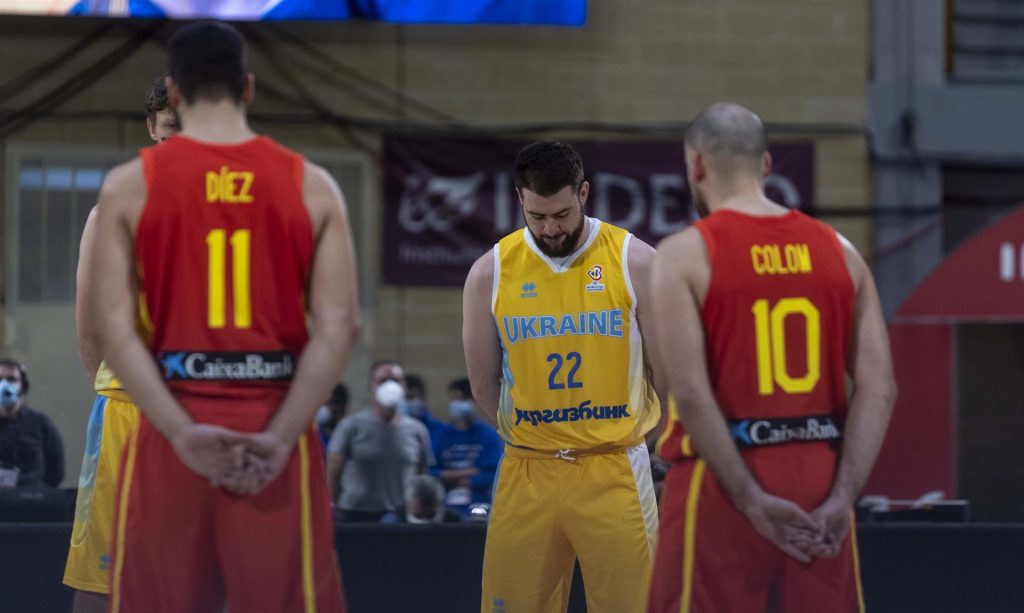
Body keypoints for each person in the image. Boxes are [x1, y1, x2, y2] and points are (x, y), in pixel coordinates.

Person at [89, 21, 359, 613]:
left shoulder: (128, 187)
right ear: (250, 88)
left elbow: (108, 327)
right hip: (272, 422)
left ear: (176, 95)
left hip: (172, 422)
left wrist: (183, 432)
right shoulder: (313, 186)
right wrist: (279, 438)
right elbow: (341, 328)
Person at [646, 103, 897, 612]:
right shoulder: (841, 251)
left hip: (724, 478)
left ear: (696, 165)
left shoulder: (684, 254)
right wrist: (843, 495)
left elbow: (690, 390)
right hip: (820, 481)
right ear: (765, 165)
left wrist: (749, 497)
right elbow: (880, 387)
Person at [462, 140, 662, 613]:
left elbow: (668, 373)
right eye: (538, 216)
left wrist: (654, 441)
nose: (551, 228)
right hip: (526, 468)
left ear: (584, 194)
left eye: (562, 214)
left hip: (612, 464)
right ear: (520, 201)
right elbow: (482, 384)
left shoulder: (636, 261)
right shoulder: (488, 273)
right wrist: (535, 433)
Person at [63, 73, 179, 613]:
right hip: (126, 415)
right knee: (101, 581)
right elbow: (89, 328)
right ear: (154, 128)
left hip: (209, 418)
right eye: (173, 128)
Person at [326, 360, 434, 523]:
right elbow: (333, 474)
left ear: (404, 387)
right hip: (354, 514)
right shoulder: (350, 426)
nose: (390, 386)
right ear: (371, 387)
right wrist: (333, 510)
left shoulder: (417, 430)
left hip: (399, 516)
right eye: (383, 381)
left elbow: (422, 475)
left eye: (396, 381)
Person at [430, 377, 502, 515]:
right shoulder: (441, 434)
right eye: (454, 399)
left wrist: (450, 478)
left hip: (478, 504)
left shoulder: (488, 435)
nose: (457, 403)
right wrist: (468, 472)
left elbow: (491, 474)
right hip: (444, 505)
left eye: (462, 399)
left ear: (473, 401)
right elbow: (431, 472)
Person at [0, 359, 64, 489]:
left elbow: (56, 473)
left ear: (23, 386)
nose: (4, 384)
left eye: (12, 379)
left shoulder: (41, 423)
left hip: (30, 502)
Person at [380, 474, 462, 524]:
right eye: (418, 516)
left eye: (430, 515)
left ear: (440, 505)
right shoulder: (391, 524)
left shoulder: (454, 522)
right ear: (407, 505)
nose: (424, 523)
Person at [403, 373, 446, 440]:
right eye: (402, 398)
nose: (406, 401)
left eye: (410, 397)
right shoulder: (390, 429)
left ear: (423, 399)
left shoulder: (441, 430)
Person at [316, 382, 349, 451]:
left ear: (340, 407)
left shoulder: (347, 439)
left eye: (327, 403)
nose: (323, 408)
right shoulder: (314, 435)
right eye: (321, 403)